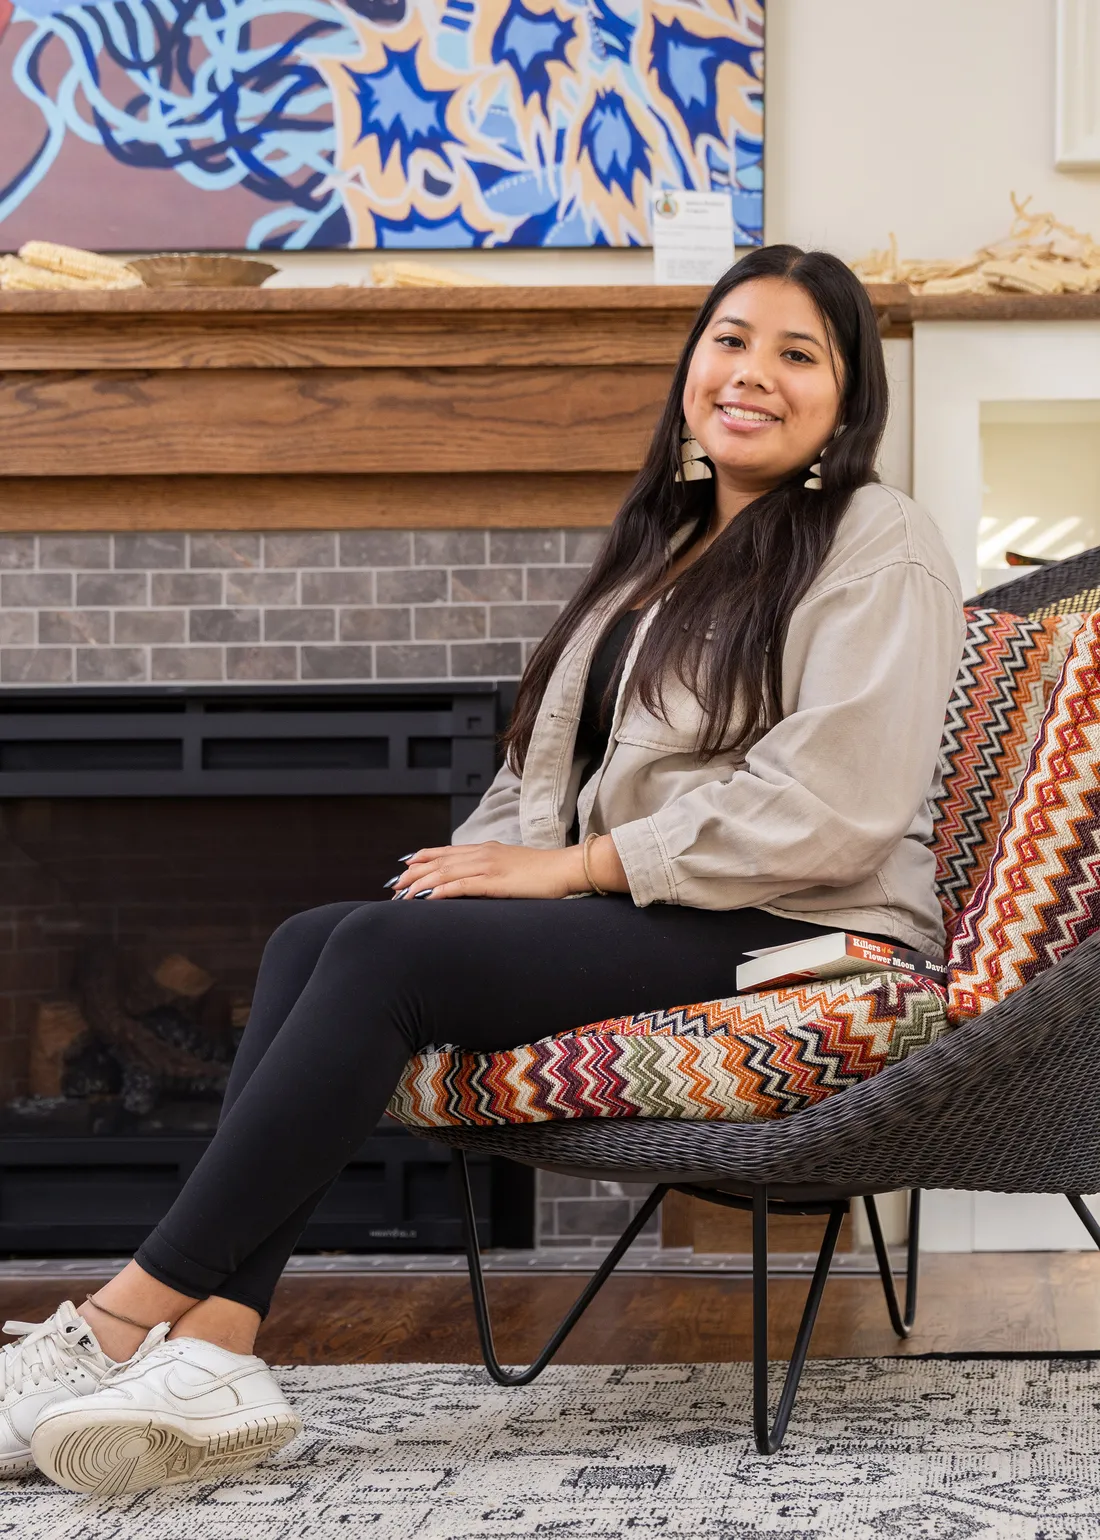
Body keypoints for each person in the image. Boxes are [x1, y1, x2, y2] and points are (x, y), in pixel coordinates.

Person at [2, 245, 964, 1496]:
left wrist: (570, 870)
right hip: (652, 901)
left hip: (799, 922)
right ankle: (222, 1342)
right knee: (315, 934)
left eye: (798, 354)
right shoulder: (657, 549)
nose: (752, 374)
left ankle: (124, 1317)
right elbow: (544, 765)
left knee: (386, 956)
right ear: (690, 365)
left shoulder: (871, 537)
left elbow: (838, 799)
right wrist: (485, 861)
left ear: (848, 399)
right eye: (730, 339)